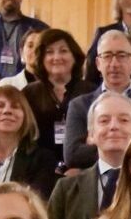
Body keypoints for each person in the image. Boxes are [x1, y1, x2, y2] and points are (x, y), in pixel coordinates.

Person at [61, 30, 131, 171]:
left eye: (121, 56)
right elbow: (73, 155)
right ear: (98, 63)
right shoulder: (79, 105)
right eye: (107, 56)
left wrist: (99, 143)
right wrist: (130, 141)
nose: (114, 64)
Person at [22, 28, 97, 175]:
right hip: (39, 168)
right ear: (41, 58)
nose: (56, 57)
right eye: (49, 52)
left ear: (74, 56)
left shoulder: (91, 91)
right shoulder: (29, 93)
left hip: (84, 168)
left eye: (63, 51)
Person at [0, 83, 55, 199]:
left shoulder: (42, 159)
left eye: (15, 107)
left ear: (25, 116)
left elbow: (36, 202)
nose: (7, 111)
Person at [0, 28, 43, 94]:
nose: (35, 50)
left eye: (40, 46)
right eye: (30, 46)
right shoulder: (6, 85)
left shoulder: (55, 85)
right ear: (21, 52)